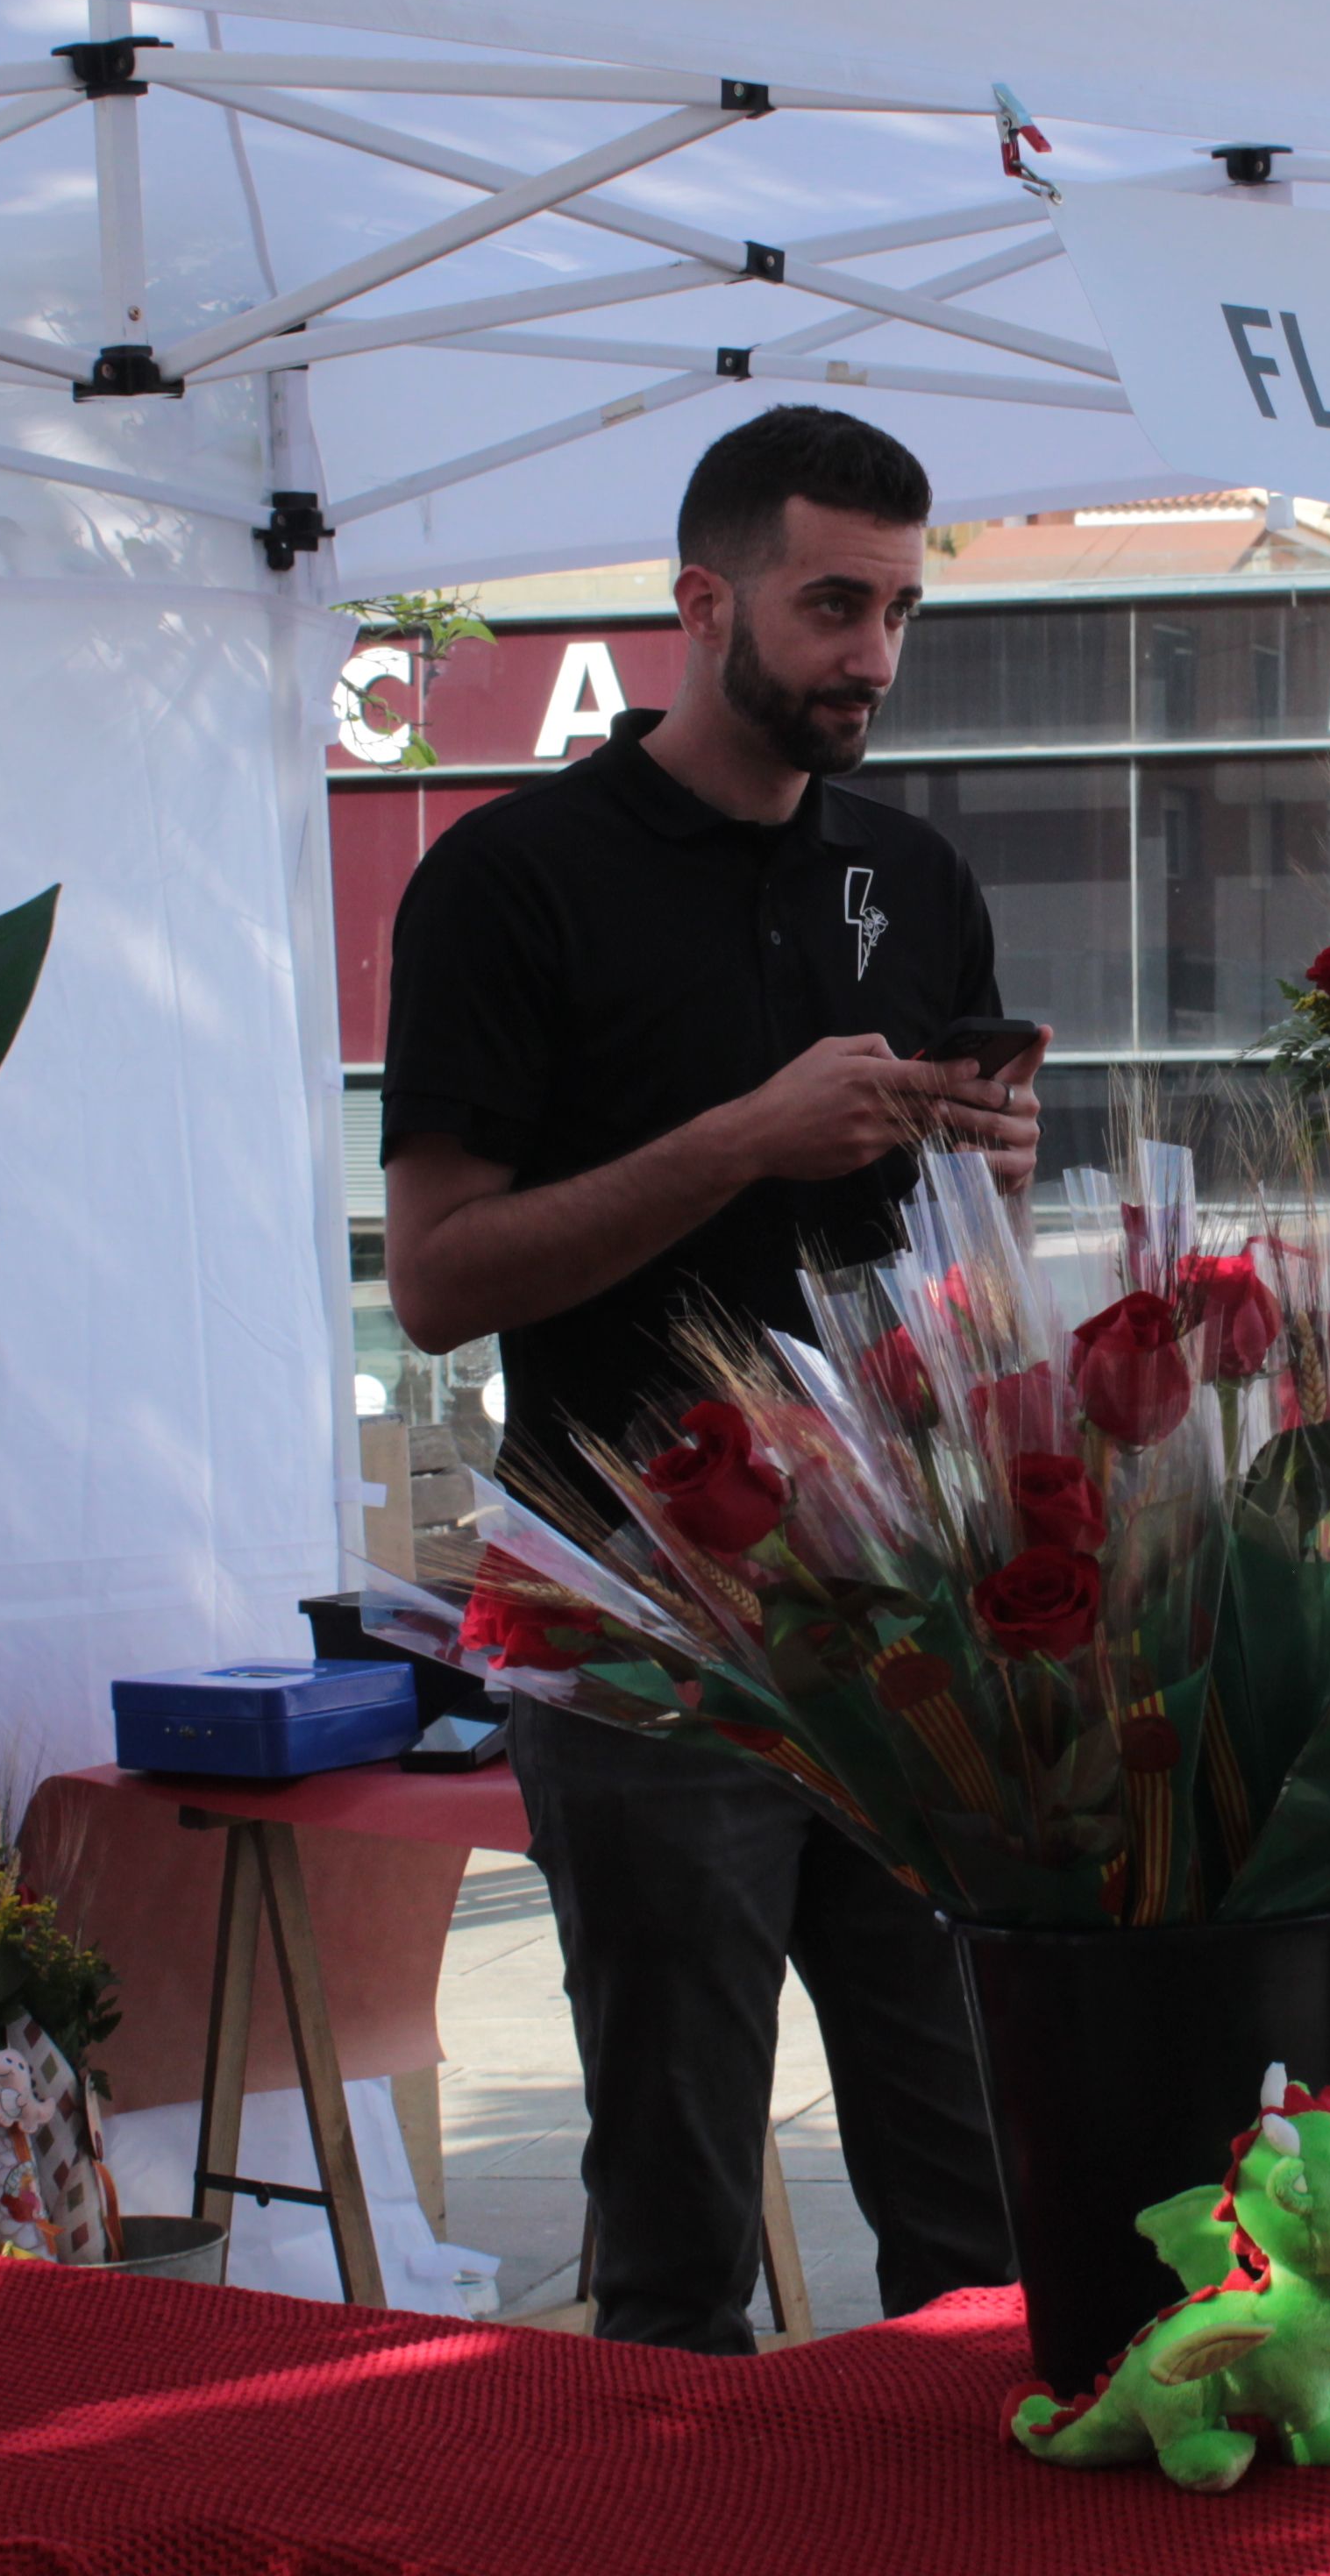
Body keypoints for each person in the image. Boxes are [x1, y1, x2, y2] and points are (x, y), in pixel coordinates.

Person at [382, 406, 1037, 2351]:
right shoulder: (508, 885)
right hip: (632, 1610)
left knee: (975, 2172)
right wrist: (741, 1137)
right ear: (701, 600)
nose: (872, 656)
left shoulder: (912, 885)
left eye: (902, 612)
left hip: (898, 1606)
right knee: (672, 2197)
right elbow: (434, 1283)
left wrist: (985, 1180)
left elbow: (943, 1275)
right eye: (834, 603)